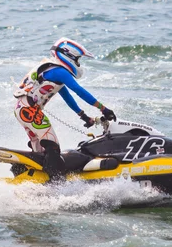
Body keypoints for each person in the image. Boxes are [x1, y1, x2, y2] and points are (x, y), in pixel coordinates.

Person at [14, 37, 117, 182]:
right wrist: (103, 109)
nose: (78, 63)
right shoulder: (59, 71)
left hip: (23, 110)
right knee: (53, 147)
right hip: (30, 112)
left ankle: (34, 177)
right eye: (78, 59)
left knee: (41, 149)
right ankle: (57, 184)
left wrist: (83, 116)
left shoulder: (53, 70)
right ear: (69, 56)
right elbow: (78, 90)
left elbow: (67, 96)